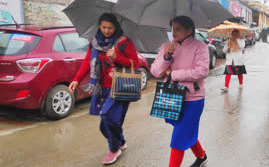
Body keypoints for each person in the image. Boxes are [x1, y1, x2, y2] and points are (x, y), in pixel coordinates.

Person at [68, 13, 139, 165]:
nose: (106, 31)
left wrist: (116, 58)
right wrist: (76, 79)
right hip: (101, 87)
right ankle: (120, 141)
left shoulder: (124, 42)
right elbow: (87, 61)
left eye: (110, 28)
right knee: (109, 120)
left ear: (116, 27)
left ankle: (114, 149)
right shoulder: (94, 42)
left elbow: (136, 64)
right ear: (99, 26)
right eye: (103, 27)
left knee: (106, 119)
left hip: (120, 87)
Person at [151, 16, 209, 167]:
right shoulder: (167, 46)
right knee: (184, 130)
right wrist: (166, 57)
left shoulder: (200, 47)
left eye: (178, 29)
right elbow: (156, 72)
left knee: (179, 136)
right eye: (172, 29)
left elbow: (201, 71)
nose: (174, 33)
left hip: (193, 98)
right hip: (171, 95)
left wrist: (175, 75)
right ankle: (201, 156)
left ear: (189, 30)